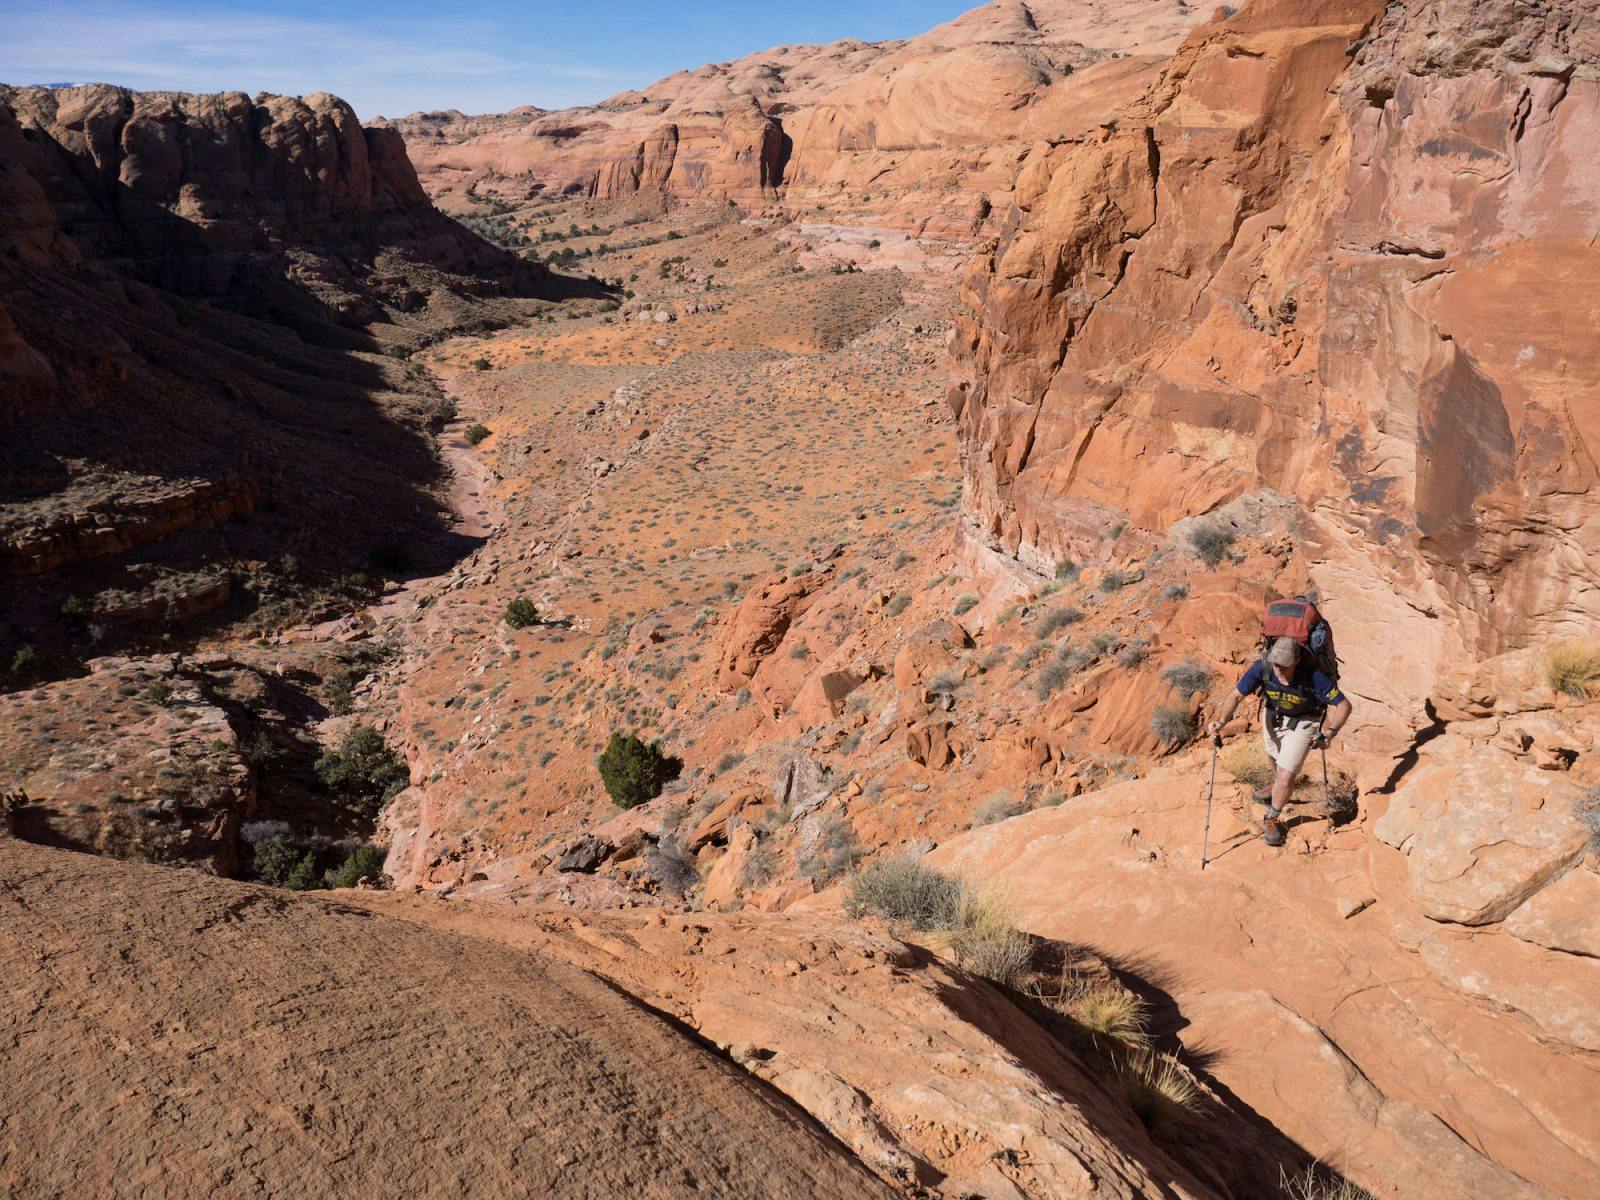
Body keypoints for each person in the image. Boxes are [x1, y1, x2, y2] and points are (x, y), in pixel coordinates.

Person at [1207, 636, 1352, 847]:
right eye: (1276, 663)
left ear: (1297, 661)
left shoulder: (1313, 677)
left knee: (1286, 776)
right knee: (1274, 757)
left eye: (1284, 665)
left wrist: (1330, 733)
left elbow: (1344, 705)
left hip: (1305, 720)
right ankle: (1276, 786)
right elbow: (1236, 696)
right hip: (1273, 715)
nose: (1278, 669)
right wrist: (1221, 720)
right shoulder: (1263, 667)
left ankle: (1272, 817)